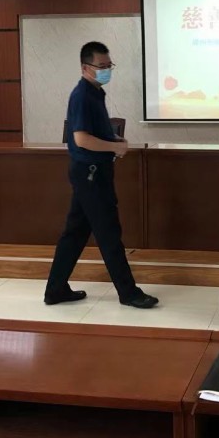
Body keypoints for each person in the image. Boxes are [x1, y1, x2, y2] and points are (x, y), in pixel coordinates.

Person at [44, 41, 158, 309]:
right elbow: (81, 139)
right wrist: (114, 147)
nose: (107, 70)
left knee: (75, 233)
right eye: (102, 66)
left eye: (109, 65)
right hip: (91, 175)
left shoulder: (95, 92)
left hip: (91, 172)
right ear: (85, 67)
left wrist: (112, 139)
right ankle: (128, 292)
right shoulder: (82, 95)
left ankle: (55, 289)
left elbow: (94, 132)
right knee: (108, 233)